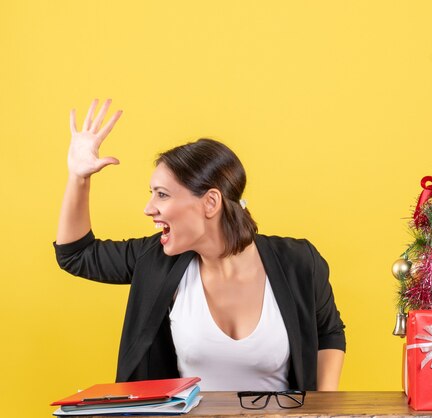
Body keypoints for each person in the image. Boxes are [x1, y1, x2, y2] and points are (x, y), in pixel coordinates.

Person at [54, 99, 346, 391]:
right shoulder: (155, 259)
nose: (149, 208)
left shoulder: (298, 261)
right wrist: (79, 178)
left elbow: (328, 332)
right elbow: (77, 254)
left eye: (162, 195)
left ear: (210, 202)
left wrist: (324, 407)